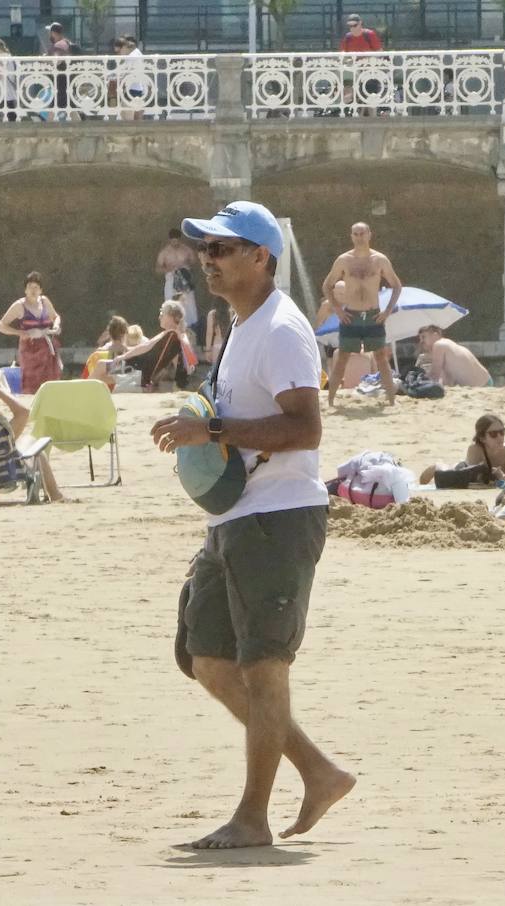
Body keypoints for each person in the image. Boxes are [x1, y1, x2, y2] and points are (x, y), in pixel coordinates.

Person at [151, 200, 354, 850]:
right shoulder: (242, 325)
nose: (206, 259)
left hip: (279, 518)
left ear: (261, 257)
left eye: (221, 248)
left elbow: (306, 428)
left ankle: (252, 818)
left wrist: (210, 429)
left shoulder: (282, 328)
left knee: (265, 668)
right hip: (236, 516)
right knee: (206, 658)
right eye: (204, 249)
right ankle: (318, 772)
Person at [321, 222, 403, 406]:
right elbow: (327, 286)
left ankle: (391, 401)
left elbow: (396, 285)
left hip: (373, 315)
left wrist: (387, 311)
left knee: (381, 357)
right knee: (342, 357)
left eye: (362, 233)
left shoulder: (379, 260)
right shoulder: (344, 260)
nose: (359, 237)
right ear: (351, 236)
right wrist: (338, 310)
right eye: (356, 234)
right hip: (351, 316)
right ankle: (331, 401)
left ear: (369, 235)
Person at [0, 271, 62, 394]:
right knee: (31, 382)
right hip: (30, 349)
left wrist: (56, 325)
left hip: (47, 347)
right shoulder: (19, 306)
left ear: (41, 290)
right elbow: (1, 326)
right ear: (25, 290)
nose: (33, 290)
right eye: (30, 287)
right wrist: (20, 333)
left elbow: (55, 316)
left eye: (36, 287)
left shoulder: (45, 301)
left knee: (50, 380)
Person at [111, 299, 195, 391]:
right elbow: (184, 363)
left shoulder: (170, 334)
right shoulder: (176, 336)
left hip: (137, 370)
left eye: (162, 313)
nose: (160, 317)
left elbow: (146, 346)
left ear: (171, 317)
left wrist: (123, 356)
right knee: (104, 366)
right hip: (138, 369)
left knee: (102, 365)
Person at [418, 414, 505, 488]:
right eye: (493, 434)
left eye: (502, 432)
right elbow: (472, 480)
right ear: (482, 438)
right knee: (438, 470)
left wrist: (502, 476)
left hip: (475, 476)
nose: (500, 437)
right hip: (460, 470)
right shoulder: (475, 449)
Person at [416, 325, 491, 387]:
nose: (421, 342)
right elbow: (447, 381)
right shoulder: (449, 344)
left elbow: (434, 376)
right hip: (487, 382)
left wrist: (418, 381)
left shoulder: (439, 345)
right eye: (420, 339)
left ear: (435, 335)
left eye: (423, 337)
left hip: (481, 387)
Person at [156, 228, 198, 327]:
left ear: (180, 239)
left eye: (177, 240)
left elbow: (194, 262)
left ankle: (192, 327)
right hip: (171, 280)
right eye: (173, 241)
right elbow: (158, 269)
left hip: (185, 280)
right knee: (171, 304)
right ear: (170, 240)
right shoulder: (165, 252)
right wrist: (169, 269)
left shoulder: (186, 250)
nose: (175, 243)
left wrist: (185, 267)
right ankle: (171, 325)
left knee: (189, 305)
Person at [206, 300, 232, 366]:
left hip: (217, 345)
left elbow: (209, 333)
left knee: (216, 369)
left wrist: (208, 350)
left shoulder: (212, 314)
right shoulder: (232, 312)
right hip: (229, 345)